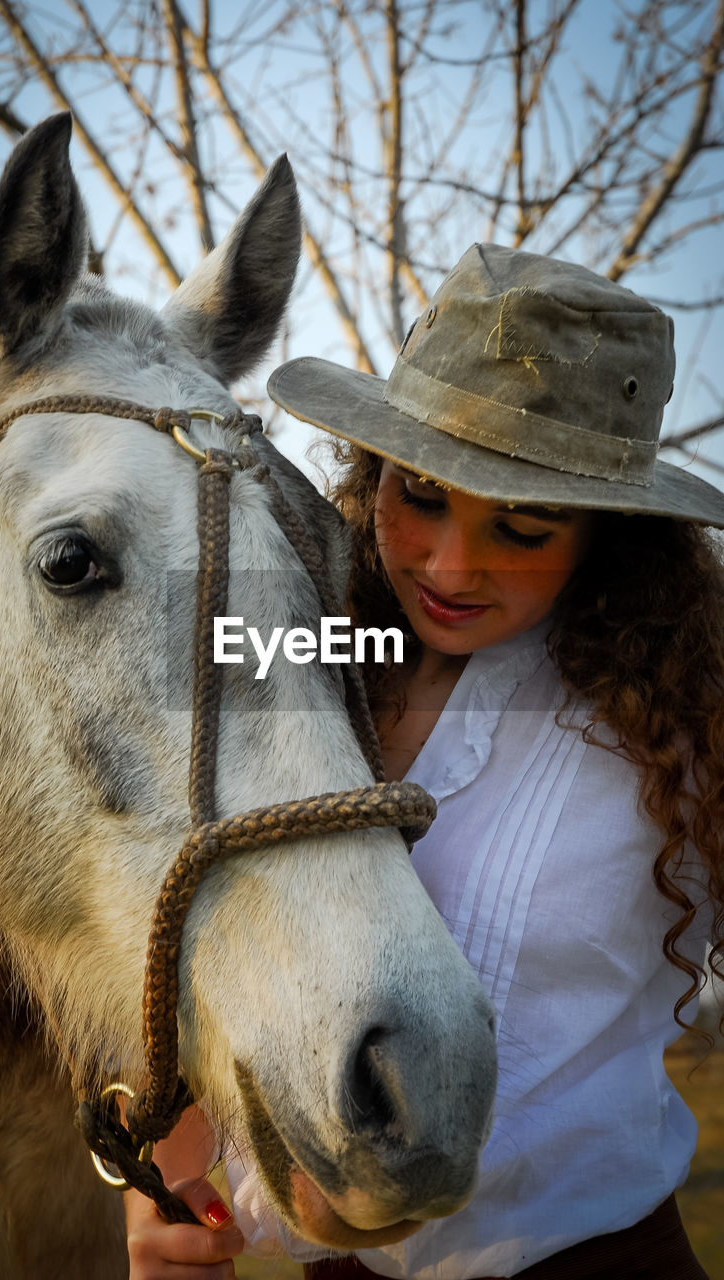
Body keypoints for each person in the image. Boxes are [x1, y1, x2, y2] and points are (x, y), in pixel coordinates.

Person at [123, 244, 724, 1279]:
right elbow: (166, 910)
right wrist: (167, 1201)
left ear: (604, 536)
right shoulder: (304, 656)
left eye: (523, 528)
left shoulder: (683, 723)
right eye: (421, 495)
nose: (448, 566)